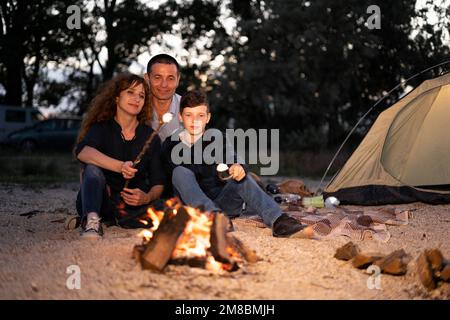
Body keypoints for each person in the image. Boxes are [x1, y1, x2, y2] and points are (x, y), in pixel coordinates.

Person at [161, 90, 309, 238]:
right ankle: (214, 218)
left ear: (208, 118)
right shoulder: (170, 144)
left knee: (240, 175)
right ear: (180, 117)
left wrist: (237, 166)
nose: (195, 121)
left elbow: (232, 156)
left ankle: (279, 220)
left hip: (224, 203)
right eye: (189, 115)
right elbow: (165, 183)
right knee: (179, 172)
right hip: (194, 208)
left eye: (200, 115)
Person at [74, 73, 165, 239]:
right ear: (116, 97)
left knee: (165, 209)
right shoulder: (101, 128)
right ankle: (92, 222)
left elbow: (158, 182)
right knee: (92, 169)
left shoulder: (150, 136)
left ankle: (112, 220)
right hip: (100, 200)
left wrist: (146, 197)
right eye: (130, 92)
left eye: (141, 96)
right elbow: (83, 152)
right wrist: (120, 166)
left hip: (132, 207)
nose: (136, 99)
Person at [144, 54, 183, 142]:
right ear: (147, 78)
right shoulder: (135, 106)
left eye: (170, 78)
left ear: (178, 79)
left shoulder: (189, 108)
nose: (164, 85)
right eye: (158, 77)